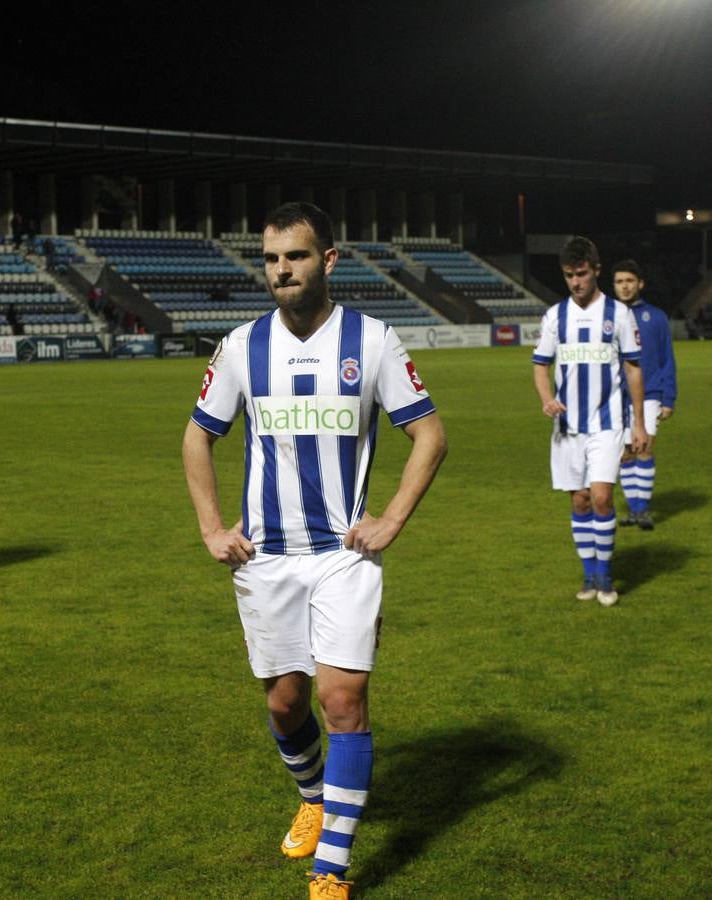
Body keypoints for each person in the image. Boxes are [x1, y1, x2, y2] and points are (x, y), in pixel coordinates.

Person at [182, 202, 447, 900]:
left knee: (343, 699)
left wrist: (391, 517)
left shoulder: (375, 340)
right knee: (284, 703)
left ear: (328, 260)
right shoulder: (242, 346)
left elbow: (430, 435)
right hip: (264, 556)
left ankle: (331, 872)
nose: (281, 271)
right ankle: (313, 793)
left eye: (295, 257)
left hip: (342, 555)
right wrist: (213, 527)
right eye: (271, 259)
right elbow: (196, 436)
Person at [532, 237, 647, 607]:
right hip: (568, 428)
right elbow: (540, 365)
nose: (575, 282)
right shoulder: (555, 316)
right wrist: (547, 399)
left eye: (581, 274)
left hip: (608, 423)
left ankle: (605, 575)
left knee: (600, 496)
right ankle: (588, 573)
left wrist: (639, 425)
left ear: (596, 270)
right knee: (579, 501)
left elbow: (632, 369)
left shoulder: (619, 315)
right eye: (569, 276)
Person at [611, 260, 678, 530]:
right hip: (617, 396)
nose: (625, 286)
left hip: (649, 393)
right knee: (626, 453)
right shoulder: (608, 317)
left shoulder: (656, 317)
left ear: (640, 284)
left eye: (629, 281)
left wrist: (668, 397)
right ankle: (635, 509)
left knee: (645, 447)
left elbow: (666, 359)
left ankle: (643, 509)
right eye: (619, 281)